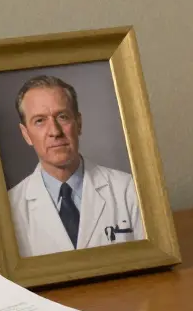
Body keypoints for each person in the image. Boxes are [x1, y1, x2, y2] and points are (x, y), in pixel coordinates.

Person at [8, 75, 144, 258]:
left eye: (62, 117)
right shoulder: (9, 208)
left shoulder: (129, 190)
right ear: (26, 134)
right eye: (40, 121)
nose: (55, 132)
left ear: (78, 123)